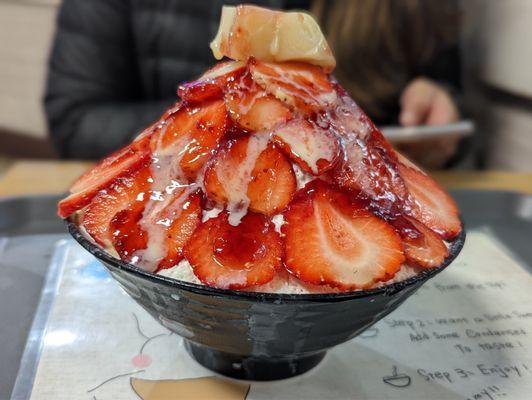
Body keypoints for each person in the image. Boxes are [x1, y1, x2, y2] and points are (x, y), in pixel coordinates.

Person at [45, 0, 461, 167]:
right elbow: (77, 119)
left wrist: (439, 101)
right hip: (187, 211)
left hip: (354, 221)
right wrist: (229, 119)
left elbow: (446, 85)